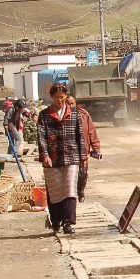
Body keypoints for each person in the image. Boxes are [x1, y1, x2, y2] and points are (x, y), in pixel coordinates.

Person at [37, 83, 85, 235]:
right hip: (53, 157)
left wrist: (83, 157)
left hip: (72, 156)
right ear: (51, 97)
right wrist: (44, 155)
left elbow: (80, 136)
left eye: (62, 98)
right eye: (57, 97)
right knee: (55, 190)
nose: (60, 100)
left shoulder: (75, 114)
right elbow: (41, 137)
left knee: (70, 189)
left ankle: (68, 222)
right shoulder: (44, 115)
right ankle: (56, 220)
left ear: (66, 97)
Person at [66, 96, 101, 202]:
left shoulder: (84, 115)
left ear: (76, 103)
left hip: (83, 150)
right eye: (68, 104)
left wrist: (96, 148)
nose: (70, 106)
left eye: (72, 103)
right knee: (70, 173)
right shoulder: (62, 116)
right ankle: (71, 195)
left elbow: (91, 131)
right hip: (68, 151)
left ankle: (81, 192)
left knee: (82, 173)